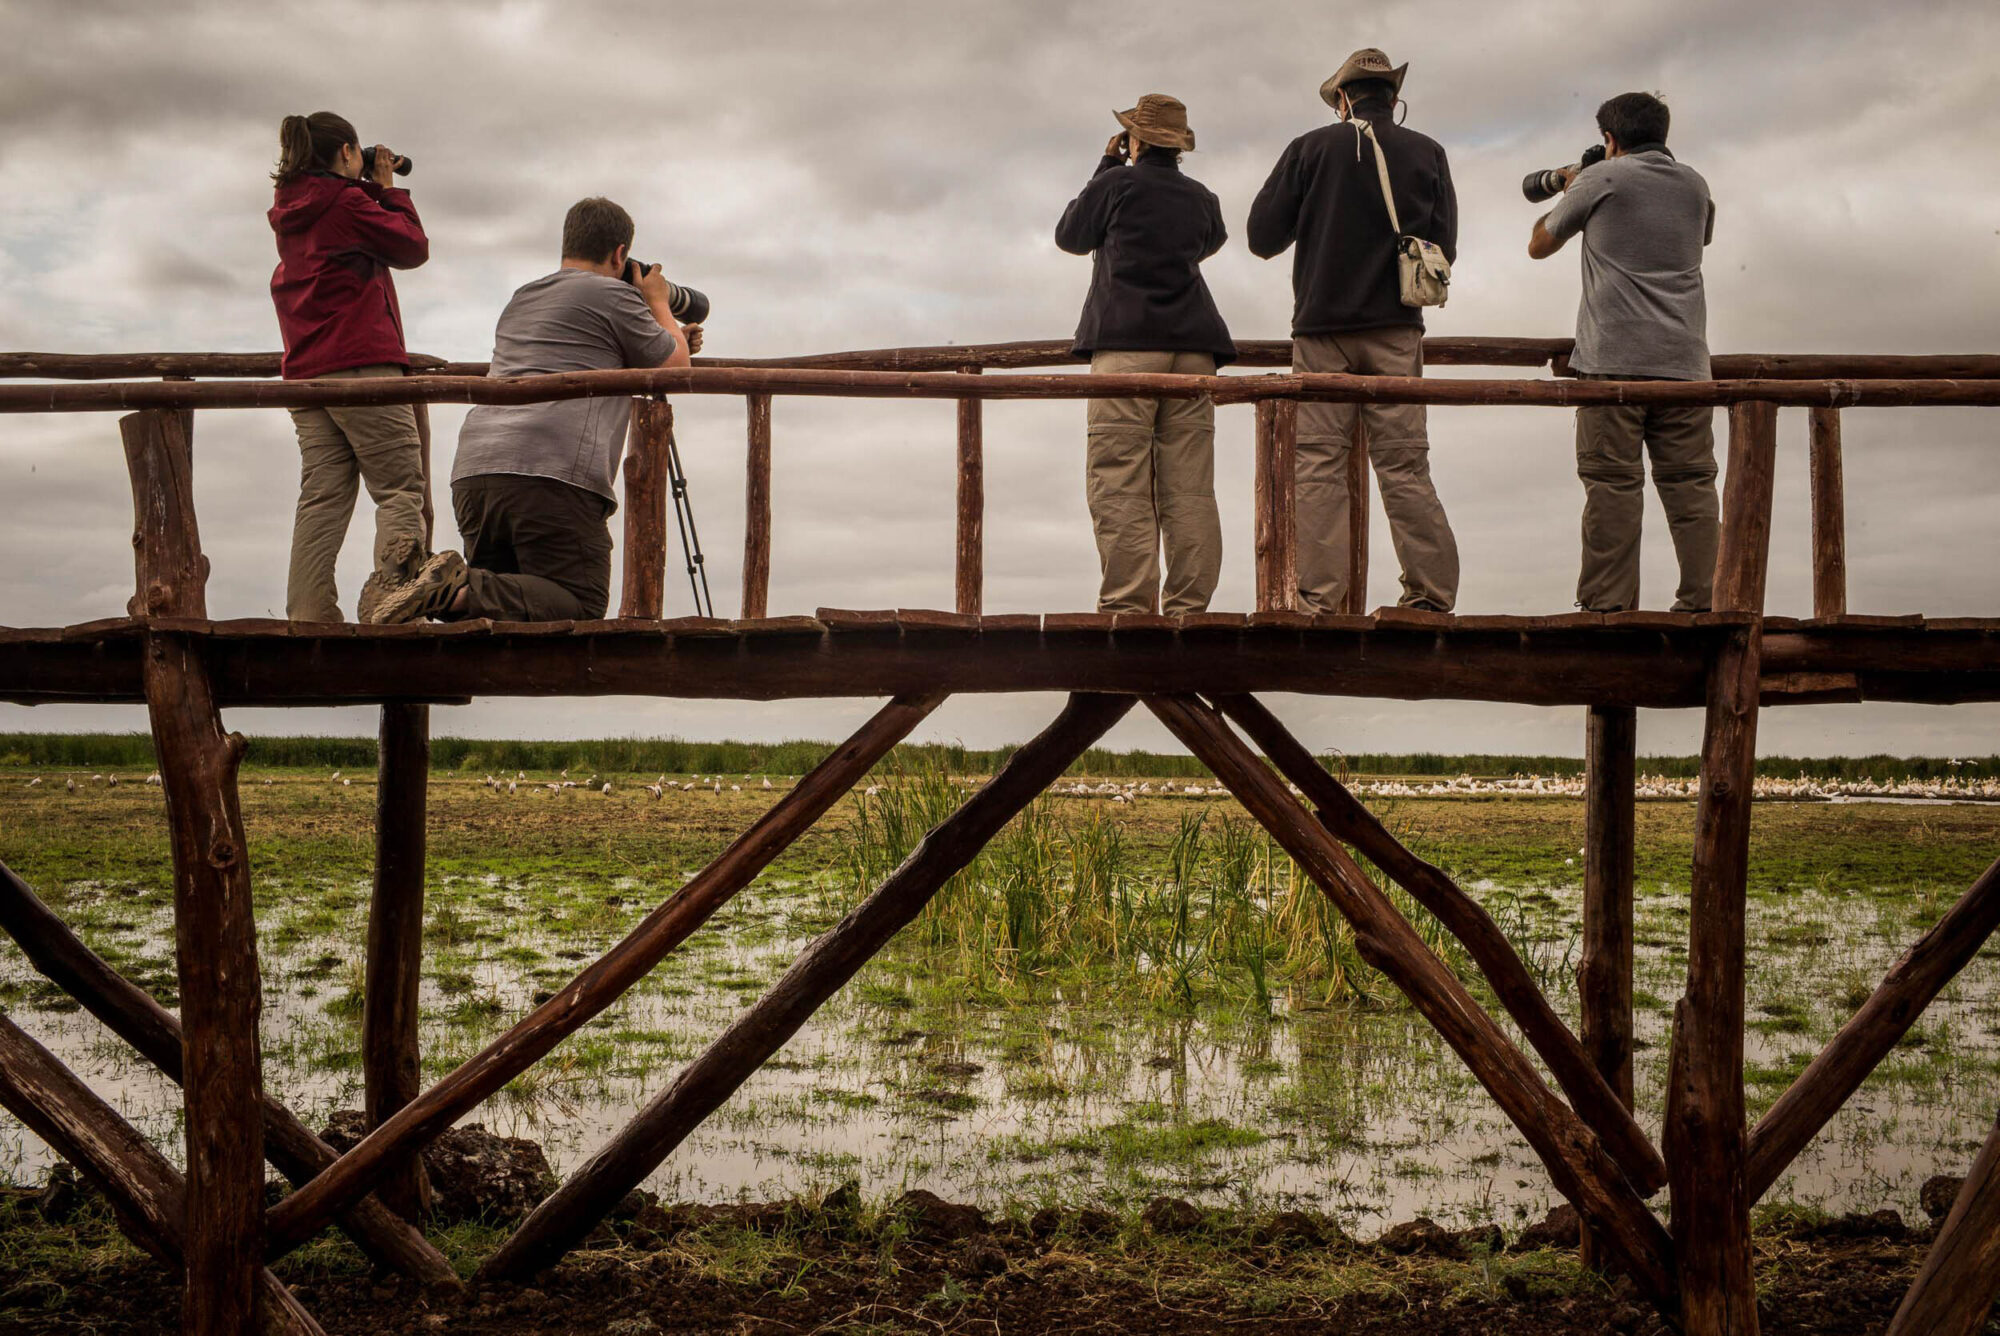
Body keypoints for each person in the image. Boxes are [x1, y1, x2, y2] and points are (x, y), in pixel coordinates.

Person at [366, 196, 698, 624]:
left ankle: (424, 585)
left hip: (477, 470)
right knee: (580, 602)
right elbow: (676, 368)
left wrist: (668, 332)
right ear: (620, 254)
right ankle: (446, 587)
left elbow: (586, 347)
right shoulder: (614, 296)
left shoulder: (523, 296)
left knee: (497, 605)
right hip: (552, 472)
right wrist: (659, 304)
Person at [1248, 48, 1459, 613]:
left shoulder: (1311, 148)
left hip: (1322, 329)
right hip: (1396, 329)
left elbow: (1262, 237)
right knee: (1405, 463)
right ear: (1394, 98)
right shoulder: (1428, 152)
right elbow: (1446, 250)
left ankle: (1320, 602)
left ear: (1343, 99)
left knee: (1317, 465)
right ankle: (1431, 596)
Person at [1529, 92, 1718, 613]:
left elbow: (1539, 244)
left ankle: (1607, 609)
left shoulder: (1601, 178)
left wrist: (1571, 186)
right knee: (1691, 486)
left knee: (1612, 487)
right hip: (1685, 364)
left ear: (1610, 139)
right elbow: (1701, 238)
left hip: (1611, 362)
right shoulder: (1696, 184)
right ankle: (1706, 603)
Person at [1054, 94, 1234, 616]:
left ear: (1135, 140)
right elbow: (1209, 244)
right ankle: (1188, 607)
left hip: (1127, 347)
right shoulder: (1202, 197)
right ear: (1179, 147)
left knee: (1120, 479)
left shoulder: (1116, 184)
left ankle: (1128, 607)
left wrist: (1107, 164)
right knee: (1191, 486)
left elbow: (1070, 236)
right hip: (1196, 348)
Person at [268, 111, 430, 623]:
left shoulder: (291, 208)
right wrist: (388, 189)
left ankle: (310, 614)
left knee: (323, 496)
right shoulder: (346, 202)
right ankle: (396, 604)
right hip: (361, 365)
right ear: (345, 153)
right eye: (358, 155)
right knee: (400, 488)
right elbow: (412, 247)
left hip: (306, 371)